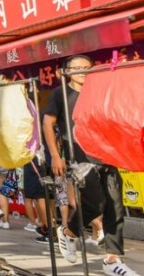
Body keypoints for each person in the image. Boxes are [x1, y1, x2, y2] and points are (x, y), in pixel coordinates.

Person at [44, 55, 139, 275]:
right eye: (76, 68)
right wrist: (55, 155)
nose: (82, 71)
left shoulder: (99, 90)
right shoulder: (61, 94)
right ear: (67, 71)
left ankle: (112, 261)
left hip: (107, 153)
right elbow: (48, 123)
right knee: (95, 203)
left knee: (115, 205)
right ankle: (68, 232)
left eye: (86, 67)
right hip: (80, 157)